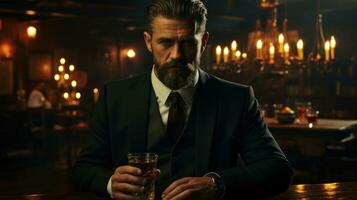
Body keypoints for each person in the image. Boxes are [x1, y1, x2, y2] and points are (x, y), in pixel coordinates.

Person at [73, 0, 293, 199]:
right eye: (165, 43)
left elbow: (278, 169)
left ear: (204, 41)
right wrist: (110, 183)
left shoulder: (237, 99)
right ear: (149, 42)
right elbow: (84, 168)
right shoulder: (115, 96)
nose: (176, 54)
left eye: (188, 43)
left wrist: (217, 184)